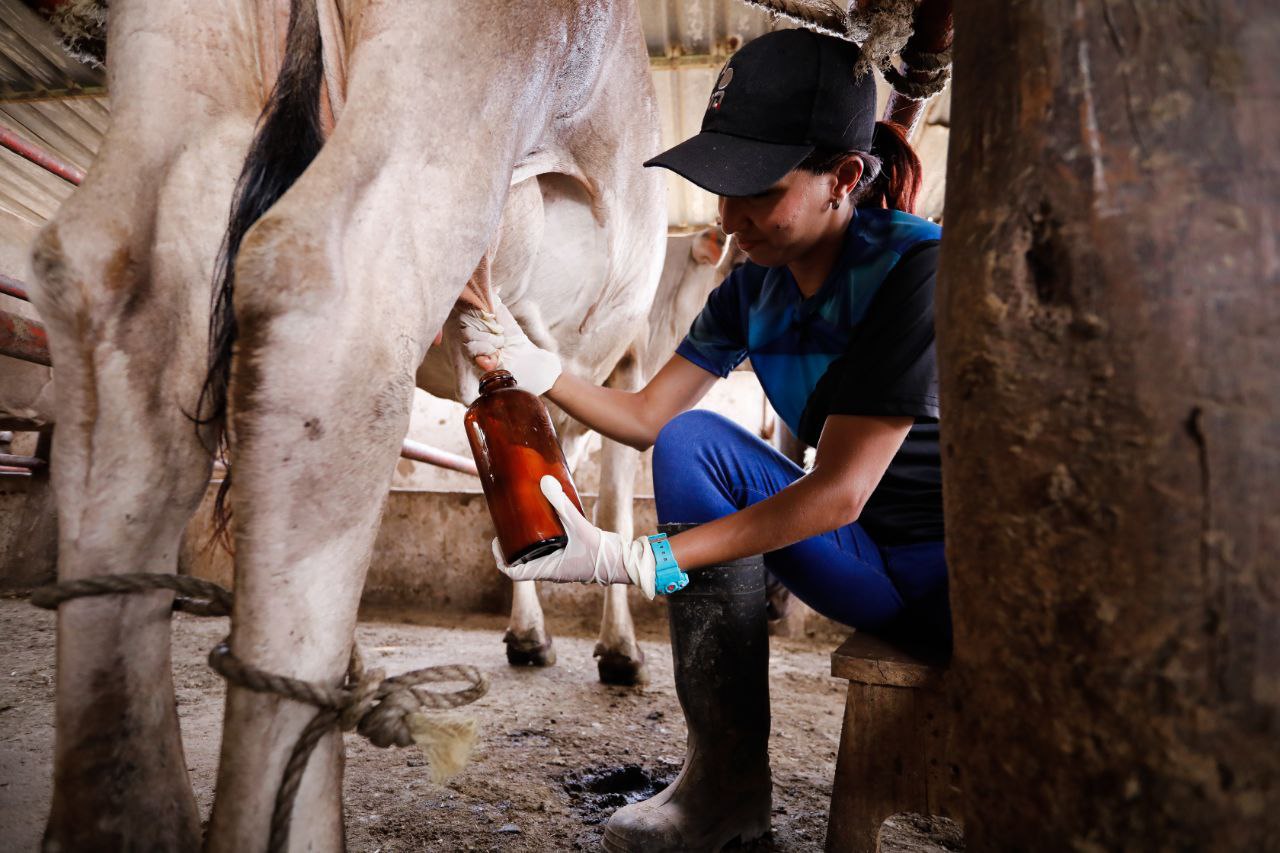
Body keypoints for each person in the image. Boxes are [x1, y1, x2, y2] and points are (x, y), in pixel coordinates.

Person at [462, 28, 948, 852]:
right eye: (720, 188)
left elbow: (840, 491)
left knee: (715, 457)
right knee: (689, 440)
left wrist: (640, 558)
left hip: (945, 582)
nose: (730, 217)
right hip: (860, 563)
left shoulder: (915, 271)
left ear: (844, 178)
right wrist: (540, 370)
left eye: (757, 188)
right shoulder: (752, 285)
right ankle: (723, 784)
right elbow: (650, 416)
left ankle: (721, 785)